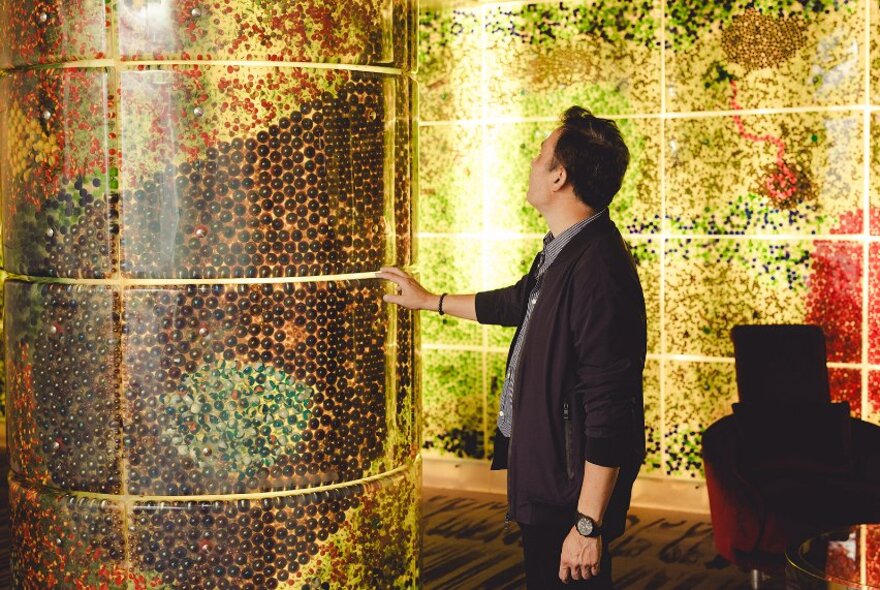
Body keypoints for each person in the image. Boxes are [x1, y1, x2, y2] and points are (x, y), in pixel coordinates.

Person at [377, 106, 646, 589]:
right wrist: (429, 301)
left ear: (560, 176)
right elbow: (520, 301)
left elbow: (612, 409)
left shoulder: (599, 272)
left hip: (569, 492)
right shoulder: (566, 249)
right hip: (548, 474)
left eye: (539, 155)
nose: (531, 163)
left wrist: (587, 525)